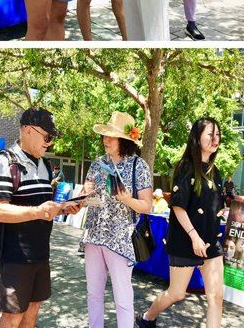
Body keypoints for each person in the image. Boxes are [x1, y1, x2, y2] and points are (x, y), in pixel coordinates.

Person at [0, 108, 82, 328]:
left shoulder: (45, 165)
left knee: (31, 314)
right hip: (13, 257)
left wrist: (63, 208)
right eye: (47, 137)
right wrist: (37, 211)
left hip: (40, 254)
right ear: (28, 130)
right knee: (12, 319)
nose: (49, 144)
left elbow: (42, 207)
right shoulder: (6, 161)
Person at [137, 118, 224, 328]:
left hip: (211, 242)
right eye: (210, 134)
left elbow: (216, 207)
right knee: (176, 293)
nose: (215, 139)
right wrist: (194, 237)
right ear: (197, 137)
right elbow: (178, 206)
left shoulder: (216, 171)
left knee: (216, 297)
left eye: (218, 134)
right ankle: (147, 317)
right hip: (185, 240)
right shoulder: (185, 167)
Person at [79, 112, 152, 328]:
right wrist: (85, 194)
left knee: (123, 300)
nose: (105, 139)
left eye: (111, 136)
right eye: (105, 135)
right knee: (93, 294)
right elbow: (88, 201)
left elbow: (147, 206)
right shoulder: (97, 163)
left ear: (125, 140)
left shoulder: (138, 166)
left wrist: (128, 199)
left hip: (120, 240)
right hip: (93, 236)